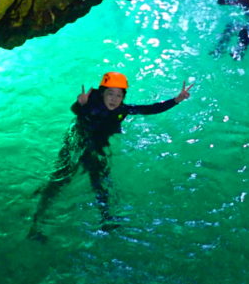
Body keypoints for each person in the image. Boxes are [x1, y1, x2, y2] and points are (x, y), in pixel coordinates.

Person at [28, 71, 193, 240]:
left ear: (123, 98)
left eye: (118, 95)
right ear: (102, 94)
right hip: (76, 142)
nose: (114, 99)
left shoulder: (123, 110)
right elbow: (76, 111)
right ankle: (36, 223)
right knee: (60, 179)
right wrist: (80, 103)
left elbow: (150, 109)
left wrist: (176, 100)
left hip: (96, 148)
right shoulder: (90, 104)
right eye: (110, 94)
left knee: (100, 181)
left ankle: (105, 218)